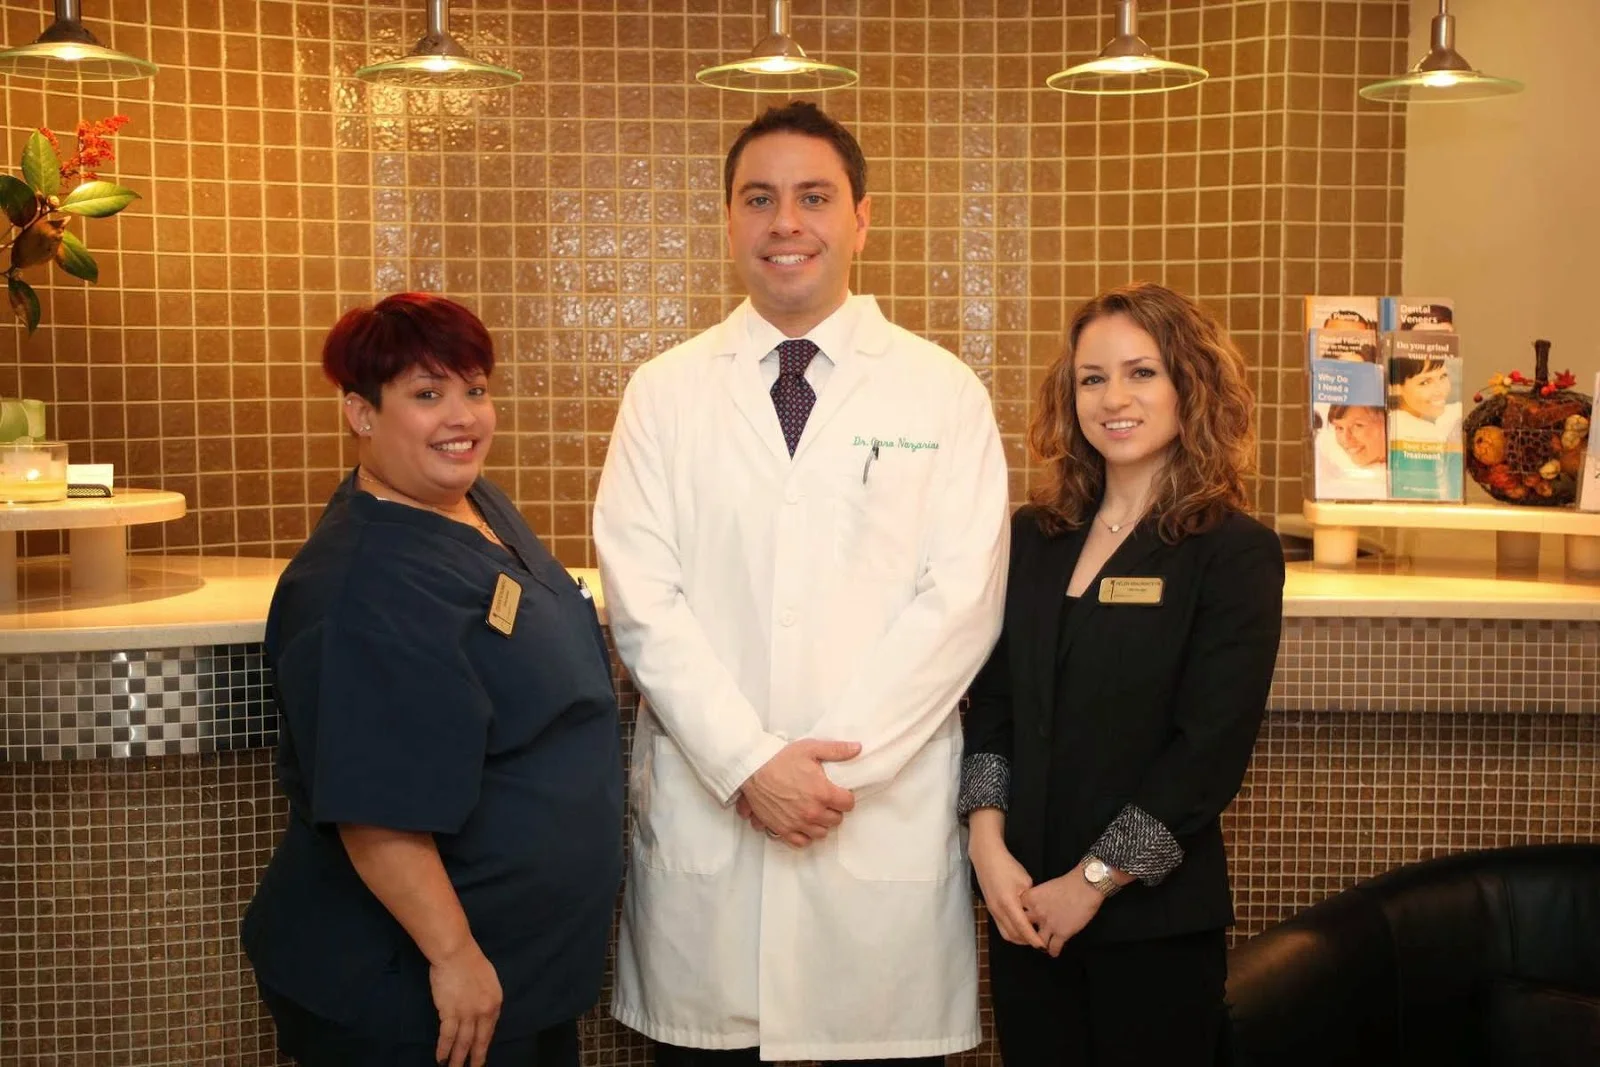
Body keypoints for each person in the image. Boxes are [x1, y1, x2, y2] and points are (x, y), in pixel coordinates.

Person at [593, 101, 1009, 1065]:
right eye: (760, 198)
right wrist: (748, 765)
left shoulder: (941, 391)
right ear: (728, 221)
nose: (786, 222)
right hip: (714, 844)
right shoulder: (664, 392)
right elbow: (645, 602)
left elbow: (960, 606)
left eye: (814, 197)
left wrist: (819, 783)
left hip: (872, 843)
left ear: (862, 219)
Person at [242, 292, 623, 1067]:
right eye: (426, 394)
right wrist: (453, 955)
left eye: (474, 389)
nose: (463, 417)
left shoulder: (472, 503)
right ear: (360, 412)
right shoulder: (360, 589)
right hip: (415, 993)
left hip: (520, 969)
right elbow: (374, 812)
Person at [960, 282, 1285, 1065]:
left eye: (1142, 372)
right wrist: (986, 843)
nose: (1114, 398)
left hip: (1151, 925)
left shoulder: (1232, 552)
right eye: (1092, 378)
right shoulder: (1035, 536)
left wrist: (1092, 881)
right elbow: (995, 702)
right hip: (1025, 908)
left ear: (1188, 387)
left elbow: (1207, 755)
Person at [1389, 353, 1462, 443]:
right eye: (1425, 383)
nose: (1441, 390)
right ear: (1395, 388)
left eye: (1443, 376)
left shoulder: (1451, 414)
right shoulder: (1419, 433)